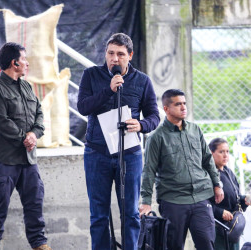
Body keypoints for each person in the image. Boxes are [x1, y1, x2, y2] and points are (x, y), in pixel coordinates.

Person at [77, 33, 160, 250]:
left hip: (130, 154)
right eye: (111, 53)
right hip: (97, 153)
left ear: (130, 56)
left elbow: (154, 116)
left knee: (131, 214)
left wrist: (141, 125)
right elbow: (83, 107)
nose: (115, 58)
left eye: (120, 54)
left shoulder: (142, 81)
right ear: (105, 54)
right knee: (98, 215)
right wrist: (108, 90)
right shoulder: (91, 75)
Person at [0, 42, 51, 250]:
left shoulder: (26, 86)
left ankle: (39, 244)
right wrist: (25, 138)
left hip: (28, 160)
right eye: (24, 59)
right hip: (3, 159)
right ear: (14, 63)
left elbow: (39, 113)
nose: (27, 63)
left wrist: (34, 134)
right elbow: (3, 122)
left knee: (35, 203)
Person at [139, 89, 225, 250]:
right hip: (173, 201)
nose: (183, 107)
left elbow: (207, 159)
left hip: (201, 198)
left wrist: (217, 184)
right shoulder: (156, 138)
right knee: (173, 246)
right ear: (166, 109)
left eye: (184, 103)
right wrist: (146, 202)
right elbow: (148, 171)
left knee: (207, 243)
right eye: (178, 104)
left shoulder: (195, 130)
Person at [209, 138, 250, 250]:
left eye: (227, 151)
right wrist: (220, 212)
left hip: (233, 228)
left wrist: (245, 200)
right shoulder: (207, 175)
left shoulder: (228, 172)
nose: (225, 155)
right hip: (217, 228)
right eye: (221, 152)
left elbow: (235, 198)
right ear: (211, 153)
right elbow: (201, 202)